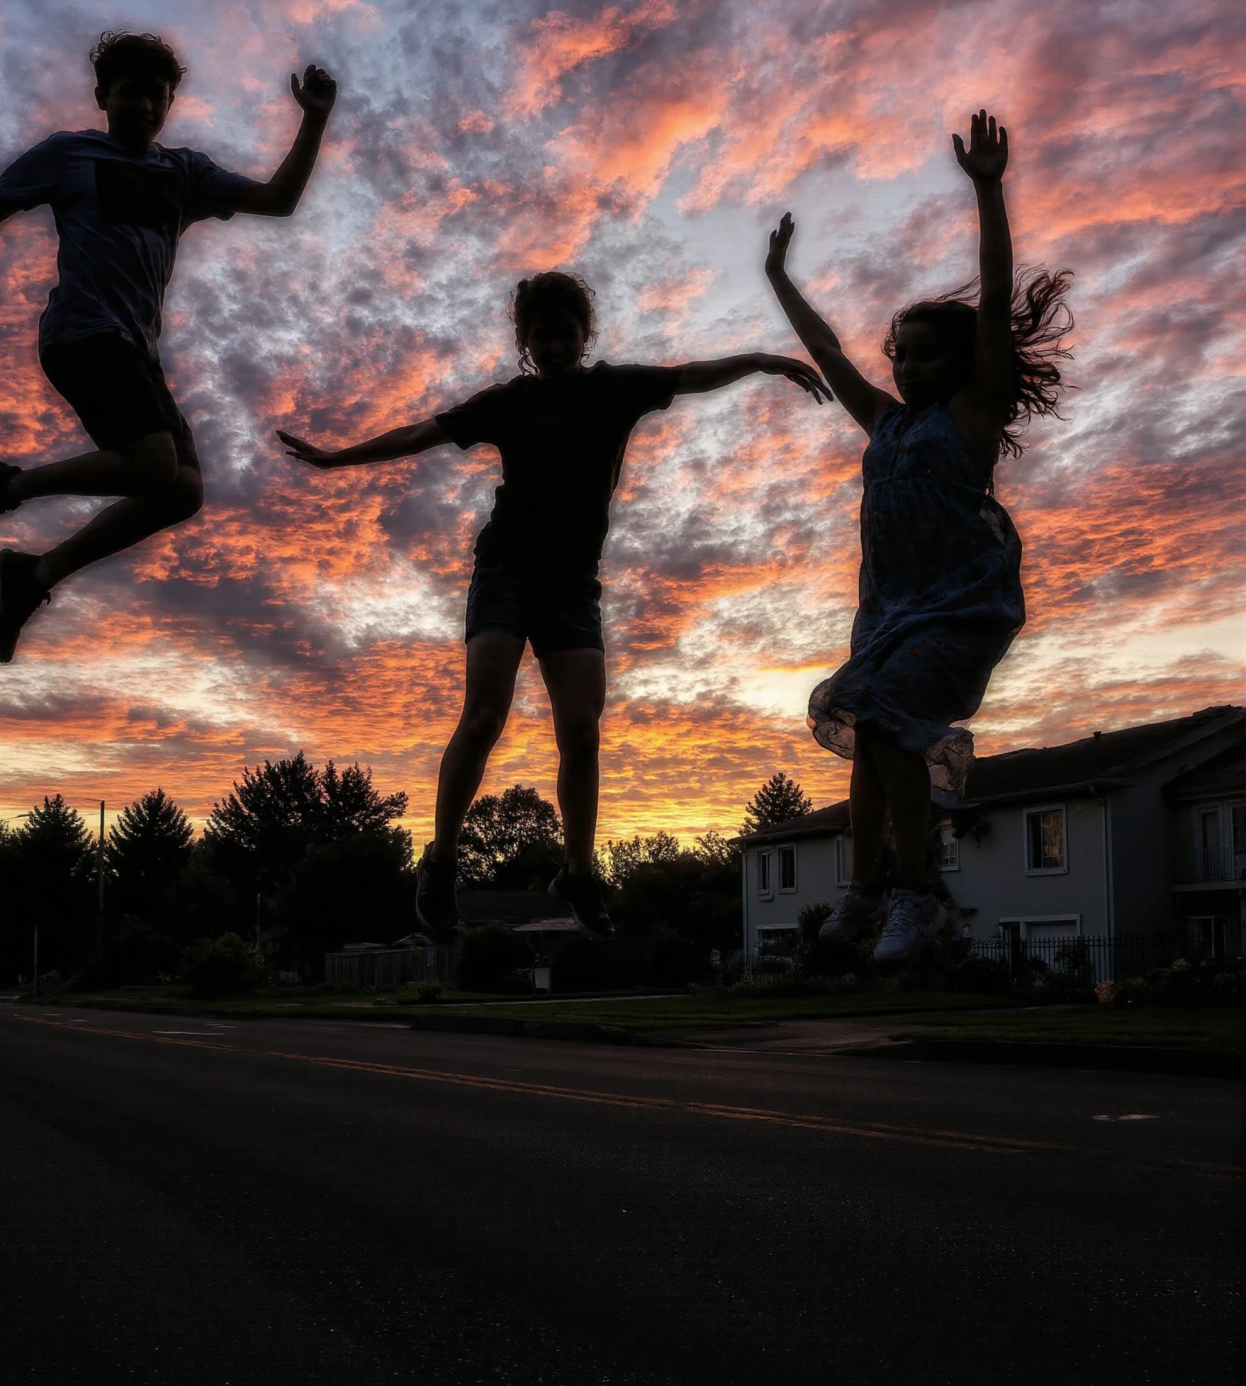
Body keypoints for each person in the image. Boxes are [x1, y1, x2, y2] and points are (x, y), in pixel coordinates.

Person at [278, 269, 829, 941]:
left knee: (582, 729)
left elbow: (691, 374)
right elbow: (419, 433)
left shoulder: (615, 388)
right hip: (507, 571)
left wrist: (763, 361)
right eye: (542, 337)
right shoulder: (508, 401)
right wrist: (338, 460)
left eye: (566, 334)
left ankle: (578, 872)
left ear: (583, 334)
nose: (556, 346)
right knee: (483, 716)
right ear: (526, 343)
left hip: (572, 584)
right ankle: (441, 863)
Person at [0, 31, 338, 661]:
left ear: (170, 103)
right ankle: (3, 486)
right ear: (102, 97)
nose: (142, 106)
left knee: (182, 489)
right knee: (155, 465)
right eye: (129, 93)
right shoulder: (68, 155)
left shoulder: (185, 172)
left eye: (156, 97)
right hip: (82, 333)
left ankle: (33, 576)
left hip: (136, 351)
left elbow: (278, 201)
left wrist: (314, 120)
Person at [764, 109, 1072, 966]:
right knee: (870, 744)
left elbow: (998, 288)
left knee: (893, 727)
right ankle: (867, 893)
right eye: (901, 355)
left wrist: (988, 189)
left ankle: (913, 895)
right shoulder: (886, 424)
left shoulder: (971, 414)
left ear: (963, 364)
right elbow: (826, 349)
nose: (906, 368)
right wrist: (778, 278)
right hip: (889, 613)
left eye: (926, 356)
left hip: (962, 606)